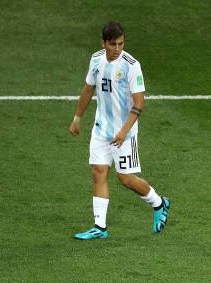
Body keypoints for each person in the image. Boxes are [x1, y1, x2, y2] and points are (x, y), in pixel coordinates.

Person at [69, 20, 171, 240]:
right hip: (101, 129)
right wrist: (77, 118)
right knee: (98, 172)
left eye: (121, 44)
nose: (117, 49)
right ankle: (100, 227)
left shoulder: (131, 65)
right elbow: (88, 89)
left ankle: (159, 203)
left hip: (125, 132)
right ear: (103, 43)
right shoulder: (96, 60)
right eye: (113, 44)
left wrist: (124, 131)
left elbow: (139, 103)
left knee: (125, 178)